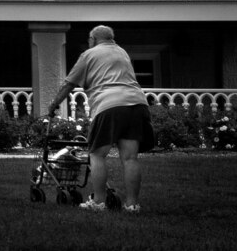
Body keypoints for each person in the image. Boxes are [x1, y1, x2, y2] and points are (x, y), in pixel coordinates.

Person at [45, 24, 156, 213]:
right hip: (137, 104)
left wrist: (54, 104)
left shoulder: (89, 54)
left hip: (109, 105)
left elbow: (68, 84)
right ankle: (132, 205)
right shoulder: (122, 52)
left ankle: (98, 202)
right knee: (130, 158)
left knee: (97, 154)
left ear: (93, 39)